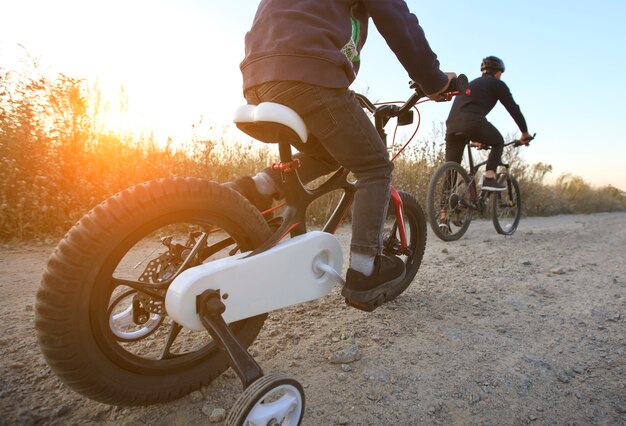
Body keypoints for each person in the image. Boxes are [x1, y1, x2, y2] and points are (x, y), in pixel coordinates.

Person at [228, 0, 453, 311]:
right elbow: (399, 22)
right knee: (374, 165)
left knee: (330, 153)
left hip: (258, 80)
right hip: (308, 74)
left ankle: (256, 188)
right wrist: (436, 81)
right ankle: (365, 270)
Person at [444, 56, 532, 191]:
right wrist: (524, 132)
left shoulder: (472, 84)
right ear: (498, 72)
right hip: (472, 121)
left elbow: (464, 111)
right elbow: (513, 109)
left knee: (450, 170)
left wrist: (475, 137)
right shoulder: (497, 84)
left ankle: (443, 211)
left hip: (452, 125)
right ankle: (489, 177)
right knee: (498, 141)